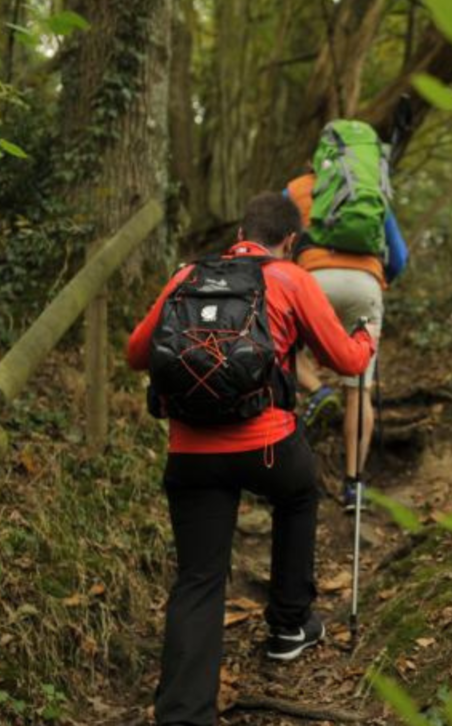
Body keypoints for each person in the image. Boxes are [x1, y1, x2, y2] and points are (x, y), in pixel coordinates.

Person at [126, 192, 375, 726]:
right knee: (300, 489)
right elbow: (347, 359)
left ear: (240, 231)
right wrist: (366, 338)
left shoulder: (186, 275)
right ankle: (290, 624)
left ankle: (182, 714)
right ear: (289, 241)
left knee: (199, 576)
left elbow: (134, 353)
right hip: (264, 445)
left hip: (189, 453)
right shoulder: (289, 278)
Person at [284, 166, 408, 512]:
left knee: (284, 350)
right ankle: (353, 484)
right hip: (364, 284)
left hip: (312, 282)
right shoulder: (371, 190)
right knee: (358, 389)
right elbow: (399, 258)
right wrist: (378, 278)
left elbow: (277, 240)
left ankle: (317, 390)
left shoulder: (295, 188)